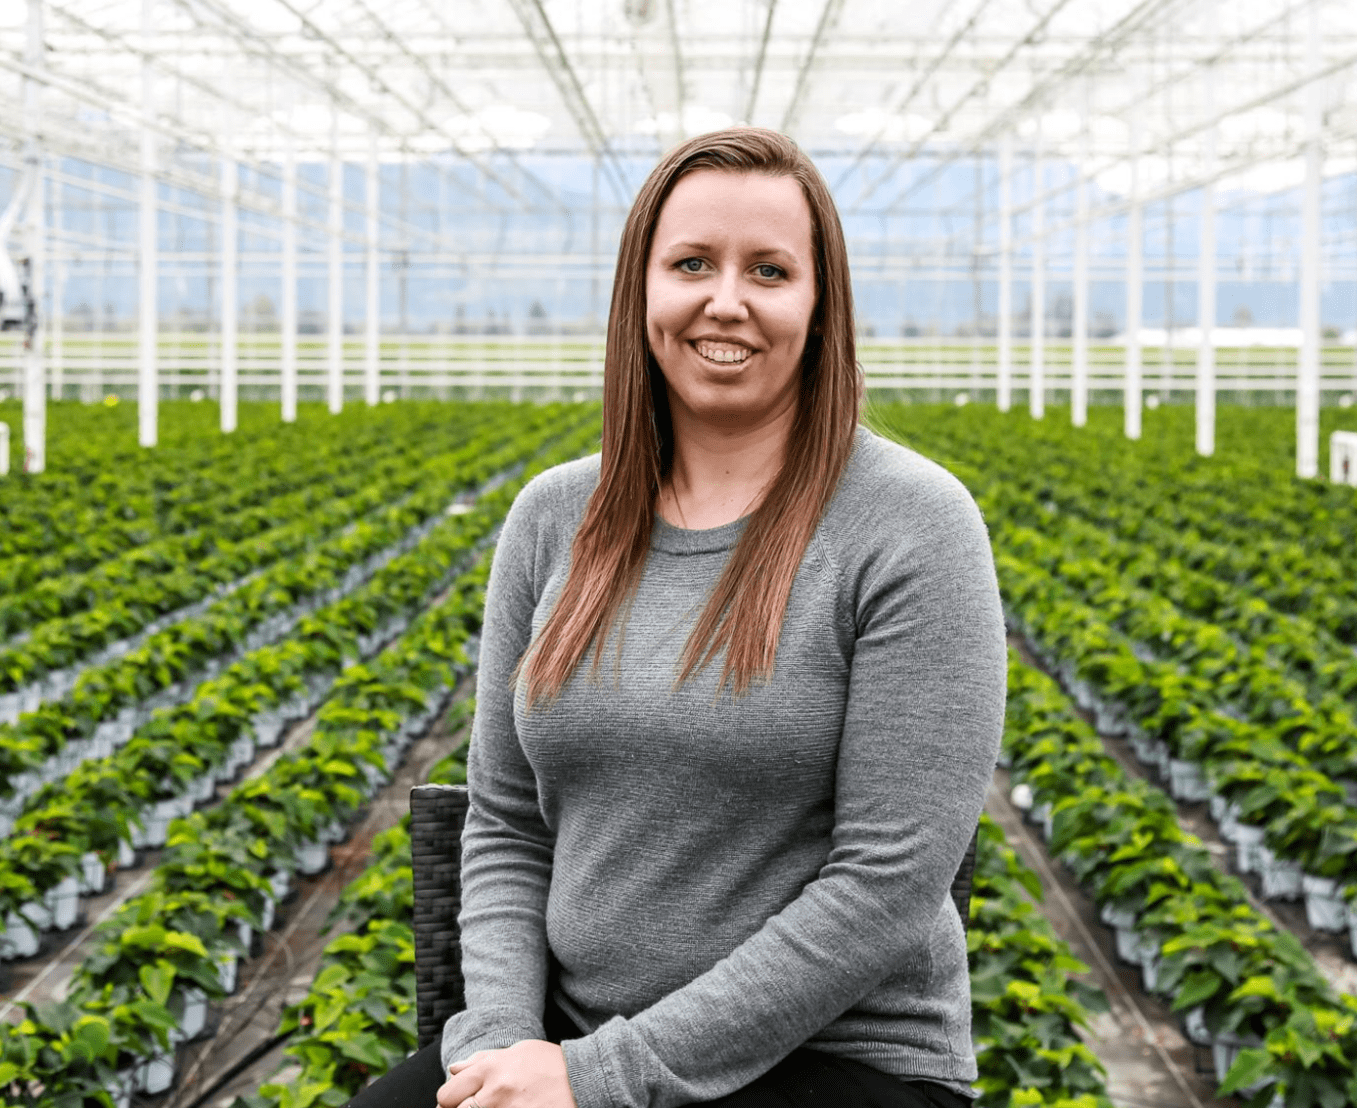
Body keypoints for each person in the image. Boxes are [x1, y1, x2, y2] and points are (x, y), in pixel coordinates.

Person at [355, 127, 1006, 1108]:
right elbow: (502, 820)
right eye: (692, 263)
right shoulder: (551, 518)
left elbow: (886, 886)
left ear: (819, 307)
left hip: (835, 1059)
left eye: (770, 270)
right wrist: (497, 1049)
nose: (726, 300)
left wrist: (597, 1080)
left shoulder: (912, 525)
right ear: (640, 292)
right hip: (569, 1039)